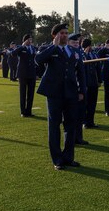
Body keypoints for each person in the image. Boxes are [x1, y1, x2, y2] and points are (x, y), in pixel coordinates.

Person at [34, 23, 86, 171]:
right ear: (55, 35)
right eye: (62, 33)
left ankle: (68, 157)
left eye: (66, 33)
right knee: (54, 125)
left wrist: (82, 91)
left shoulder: (73, 50)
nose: (65, 35)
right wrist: (54, 46)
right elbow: (38, 61)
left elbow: (80, 72)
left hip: (71, 93)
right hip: (54, 94)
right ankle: (57, 159)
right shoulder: (48, 49)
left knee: (70, 126)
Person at [13, 34, 37, 117]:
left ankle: (29, 111)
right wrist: (21, 46)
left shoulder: (33, 48)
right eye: (28, 40)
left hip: (31, 74)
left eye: (31, 40)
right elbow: (13, 53)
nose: (30, 41)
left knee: (31, 94)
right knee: (22, 94)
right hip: (22, 74)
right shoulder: (21, 48)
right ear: (25, 40)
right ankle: (23, 112)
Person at [81, 38, 101, 130]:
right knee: (85, 103)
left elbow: (98, 67)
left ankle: (91, 121)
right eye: (89, 46)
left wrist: (99, 80)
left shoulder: (94, 54)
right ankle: (84, 122)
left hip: (93, 82)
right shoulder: (81, 55)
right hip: (85, 82)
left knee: (93, 103)